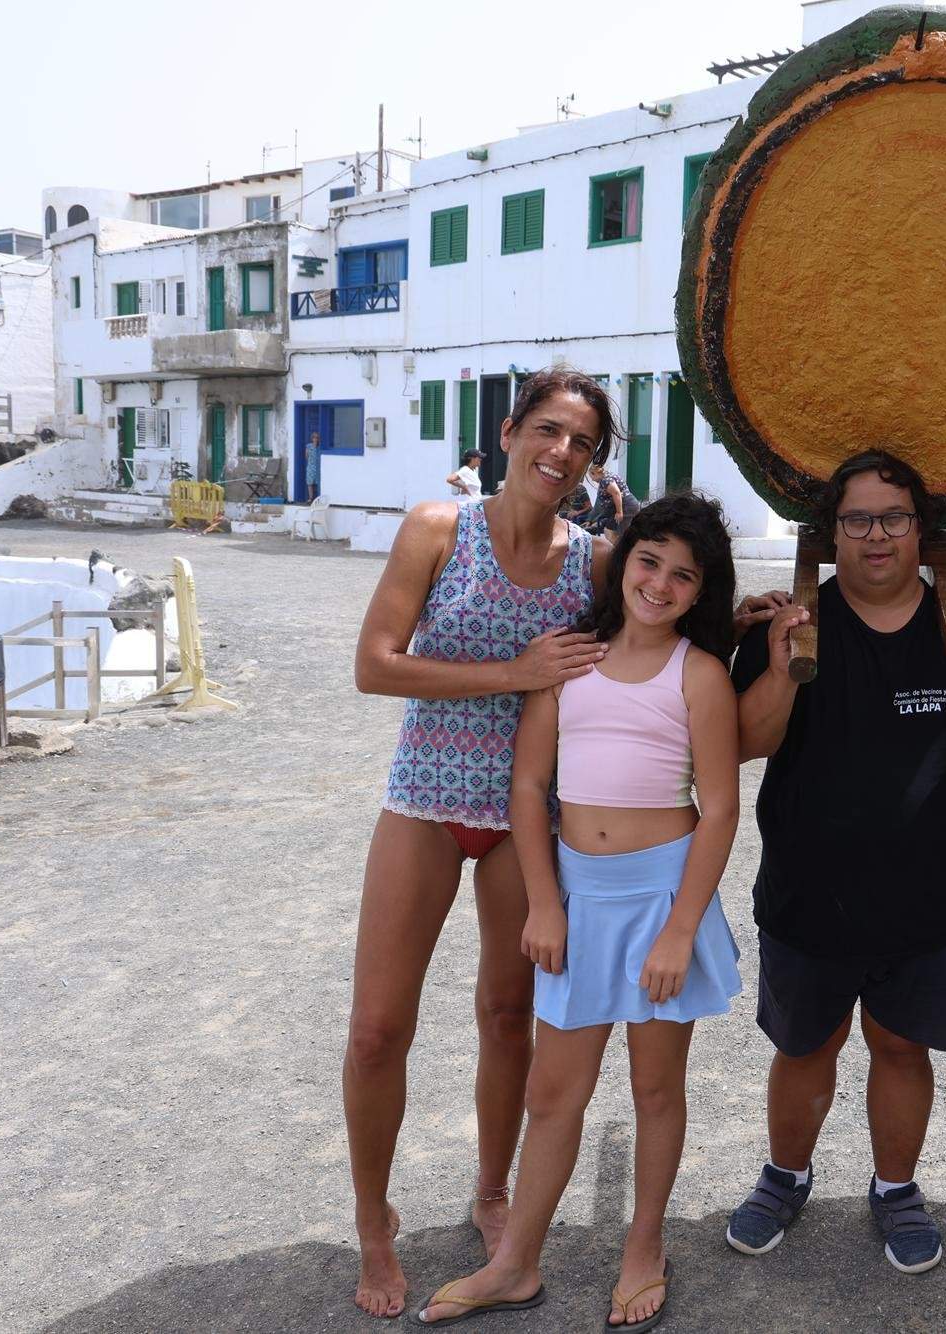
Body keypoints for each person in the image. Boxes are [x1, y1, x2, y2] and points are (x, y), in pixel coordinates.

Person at [415, 494, 743, 1329]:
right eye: (649, 560)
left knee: (654, 1087)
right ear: (623, 558)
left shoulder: (697, 675)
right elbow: (529, 787)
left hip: (663, 899)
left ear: (700, 591)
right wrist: (546, 903)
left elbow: (720, 811)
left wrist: (678, 929)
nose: (660, 584)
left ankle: (643, 1245)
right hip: (577, 901)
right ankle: (515, 1261)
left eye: (683, 575)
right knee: (554, 1093)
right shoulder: (570, 662)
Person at [343, 369, 619, 1319]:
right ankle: (374, 1222)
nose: (562, 453)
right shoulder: (438, 529)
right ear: (507, 433)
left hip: (527, 818)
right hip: (424, 798)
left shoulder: (591, 563)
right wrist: (513, 670)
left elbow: (670, 614)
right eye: (548, 430)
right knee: (380, 1027)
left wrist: (753, 624)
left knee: (509, 1019)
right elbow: (375, 667)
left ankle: (491, 1192)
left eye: (583, 442)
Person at [724, 450, 946, 1275]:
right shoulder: (789, 624)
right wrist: (785, 665)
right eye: (856, 519)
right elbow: (742, 743)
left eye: (892, 519)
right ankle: (783, 1176)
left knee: (902, 1050)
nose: (874, 536)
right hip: (806, 894)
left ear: (919, 531)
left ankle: (895, 1189)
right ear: (830, 534)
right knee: (804, 1049)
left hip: (927, 898)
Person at [581, 460, 638, 535]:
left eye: (591, 477)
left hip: (625, 507)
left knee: (619, 534)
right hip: (622, 507)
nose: (592, 479)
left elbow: (616, 493)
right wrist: (590, 520)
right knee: (609, 530)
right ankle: (617, 546)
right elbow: (599, 505)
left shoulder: (606, 480)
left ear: (594, 473)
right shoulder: (607, 478)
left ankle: (620, 546)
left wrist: (619, 512)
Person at [306, 430, 323, 503]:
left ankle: (318, 498)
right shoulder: (309, 446)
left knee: (318, 482)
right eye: (314, 437)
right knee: (310, 483)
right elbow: (306, 456)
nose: (315, 439)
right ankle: (310, 498)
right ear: (312, 438)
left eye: (317, 438)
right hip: (310, 466)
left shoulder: (320, 447)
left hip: (318, 467)